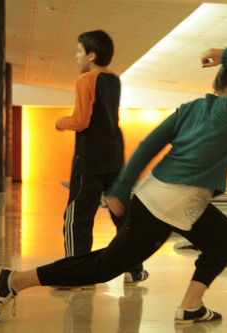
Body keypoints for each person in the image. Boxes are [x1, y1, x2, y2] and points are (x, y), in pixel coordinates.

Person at [0, 47, 227, 324]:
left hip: (160, 196)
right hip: (172, 204)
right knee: (104, 266)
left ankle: (191, 306)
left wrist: (121, 189)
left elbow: (147, 146)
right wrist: (225, 54)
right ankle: (15, 280)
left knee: (224, 237)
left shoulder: (191, 109)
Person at [56, 30, 147, 284]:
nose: (76, 57)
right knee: (122, 214)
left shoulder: (86, 80)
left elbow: (81, 120)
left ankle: (76, 273)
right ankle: (134, 268)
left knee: (78, 216)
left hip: (90, 159)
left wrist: (61, 121)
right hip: (114, 155)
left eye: (78, 52)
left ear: (91, 55)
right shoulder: (114, 80)